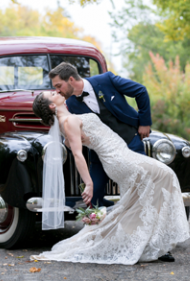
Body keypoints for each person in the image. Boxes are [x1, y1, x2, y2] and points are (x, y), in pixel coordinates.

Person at [29, 88, 190, 264]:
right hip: (118, 158)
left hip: (121, 155)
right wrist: (89, 183)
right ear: (52, 106)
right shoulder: (69, 121)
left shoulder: (65, 121)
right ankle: (153, 241)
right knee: (165, 174)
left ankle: (147, 243)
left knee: (136, 200)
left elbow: (69, 142)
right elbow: (77, 154)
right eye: (52, 95)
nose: (56, 92)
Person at [50, 63, 151, 209]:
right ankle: (104, 216)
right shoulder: (70, 103)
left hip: (129, 139)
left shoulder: (107, 80)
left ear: (71, 79)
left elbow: (140, 91)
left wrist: (145, 123)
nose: (57, 91)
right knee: (92, 197)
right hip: (101, 153)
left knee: (141, 184)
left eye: (59, 85)